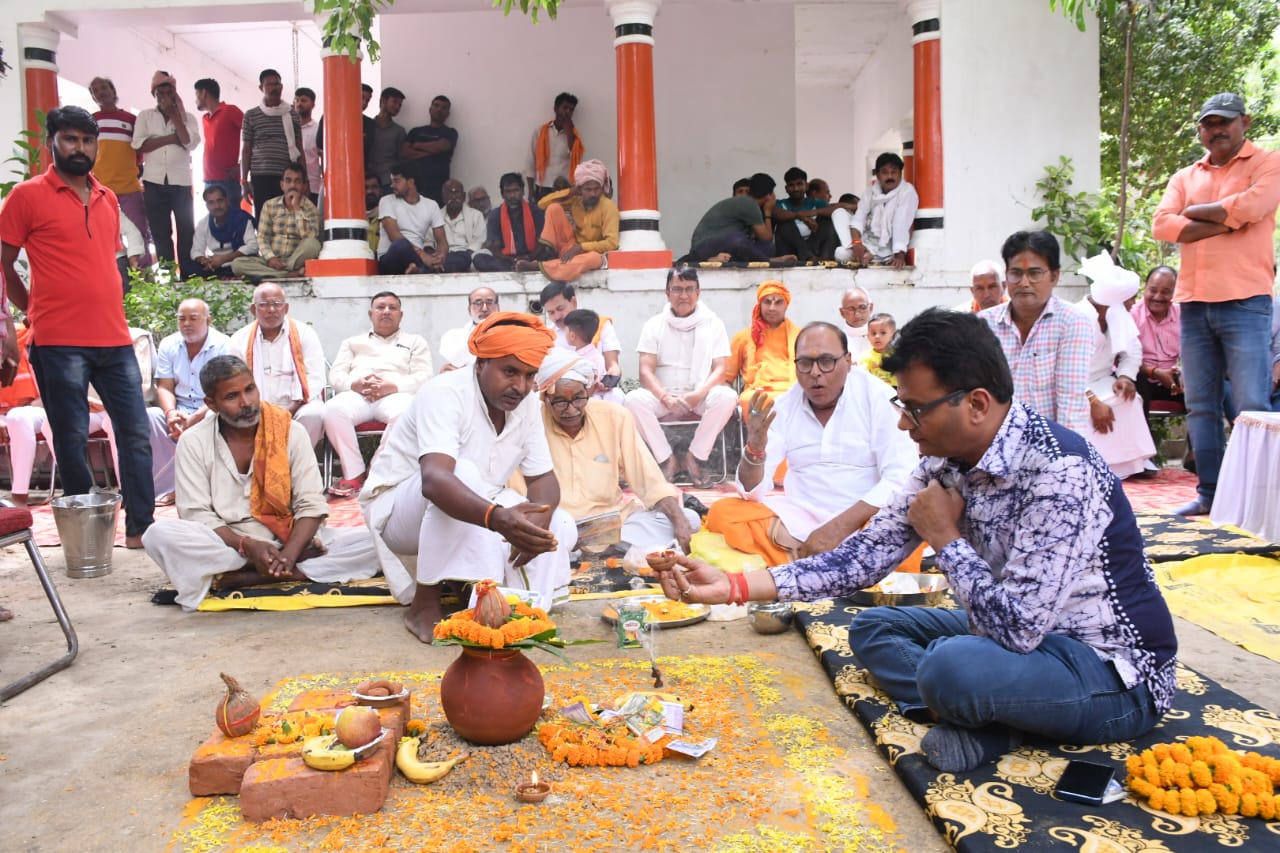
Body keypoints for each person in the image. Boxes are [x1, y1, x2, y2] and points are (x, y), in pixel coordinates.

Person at [655, 309, 1177, 774]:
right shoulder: (945, 462)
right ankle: (999, 716)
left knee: (951, 668)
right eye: (900, 405)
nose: (904, 424)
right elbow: (861, 558)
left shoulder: (1060, 471)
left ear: (975, 403)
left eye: (916, 409)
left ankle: (992, 714)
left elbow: (1018, 629)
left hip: (1109, 668)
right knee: (876, 628)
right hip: (1007, 633)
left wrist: (945, 538)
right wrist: (732, 585)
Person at [359, 312, 575, 640]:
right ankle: (425, 603)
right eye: (510, 372)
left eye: (530, 376)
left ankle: (524, 609)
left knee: (560, 523)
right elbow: (435, 480)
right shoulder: (444, 392)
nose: (520, 386)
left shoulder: (527, 404)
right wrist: (499, 519)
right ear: (480, 364)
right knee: (463, 474)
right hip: (400, 513)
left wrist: (538, 524)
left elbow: (542, 480)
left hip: (479, 502)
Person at [1, 105, 156, 546]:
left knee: (135, 432)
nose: (80, 148)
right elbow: (3, 261)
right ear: (53, 142)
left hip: (114, 338)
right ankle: (87, 535)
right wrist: (27, 307)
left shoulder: (107, 198)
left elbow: (106, 262)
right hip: (57, 341)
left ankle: (140, 528)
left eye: (88, 141)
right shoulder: (27, 196)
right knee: (70, 439)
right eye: (70, 139)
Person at [141, 356, 383, 611]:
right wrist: (247, 546)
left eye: (249, 389)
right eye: (232, 397)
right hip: (229, 545)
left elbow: (310, 504)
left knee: (380, 538)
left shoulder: (290, 431)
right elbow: (196, 514)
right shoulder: (193, 441)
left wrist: (289, 553)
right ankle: (267, 568)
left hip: (293, 540)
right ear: (211, 404)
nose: (246, 403)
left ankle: (265, 573)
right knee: (158, 534)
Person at [1152, 92, 1280, 516]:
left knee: (1251, 406)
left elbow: (1256, 205)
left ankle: (1258, 501)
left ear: (1244, 121)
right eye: (1208, 123)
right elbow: (1163, 225)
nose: (1216, 129)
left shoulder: (1267, 162)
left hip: (1246, 303)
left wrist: (1196, 214)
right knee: (1201, 405)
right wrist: (1228, 220)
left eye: (1224, 121)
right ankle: (1210, 494)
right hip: (1194, 304)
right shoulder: (1186, 174)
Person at [706, 321, 917, 566]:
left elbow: (901, 478)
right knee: (724, 514)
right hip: (800, 519)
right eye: (805, 363)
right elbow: (752, 492)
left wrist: (835, 529)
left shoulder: (877, 397)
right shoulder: (783, 407)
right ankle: (838, 566)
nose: (815, 372)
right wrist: (755, 448)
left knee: (903, 526)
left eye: (826, 361)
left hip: (866, 518)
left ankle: (803, 565)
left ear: (848, 361)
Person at [536, 349, 698, 553]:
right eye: (560, 402)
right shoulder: (532, 423)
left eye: (578, 398)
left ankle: (585, 547)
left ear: (589, 391)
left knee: (689, 519)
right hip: (555, 525)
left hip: (607, 524)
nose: (571, 410)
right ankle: (591, 547)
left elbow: (649, 480)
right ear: (544, 399)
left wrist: (678, 519)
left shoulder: (615, 417)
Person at [625, 267, 736, 487]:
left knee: (726, 397)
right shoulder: (654, 324)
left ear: (698, 292)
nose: (683, 295)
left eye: (688, 289)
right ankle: (667, 459)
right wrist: (665, 397)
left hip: (700, 393)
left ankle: (694, 456)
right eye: (677, 289)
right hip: (665, 396)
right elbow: (645, 370)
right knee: (633, 400)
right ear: (667, 293)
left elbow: (720, 369)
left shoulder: (713, 324)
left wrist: (697, 394)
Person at [323, 291, 434, 497]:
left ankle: (377, 473)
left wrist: (392, 386)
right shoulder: (352, 342)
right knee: (332, 410)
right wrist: (354, 384)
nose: (386, 312)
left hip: (396, 396)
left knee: (405, 413)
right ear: (370, 313)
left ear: (401, 315)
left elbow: (424, 377)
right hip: (358, 395)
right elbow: (336, 375)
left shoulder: (415, 342)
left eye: (392, 308)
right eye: (380, 307)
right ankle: (354, 474)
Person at [980, 230, 1093, 432]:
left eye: (1034, 273)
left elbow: (1071, 402)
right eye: (1016, 273)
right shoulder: (983, 325)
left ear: (1055, 276)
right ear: (1006, 276)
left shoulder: (1072, 323)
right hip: (990, 445)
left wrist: (1064, 458)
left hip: (1046, 446)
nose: (1024, 283)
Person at [1074, 253, 1157, 479]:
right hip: (1076, 386)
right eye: (1131, 298)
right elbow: (1068, 371)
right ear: (1118, 298)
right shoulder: (1078, 317)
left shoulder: (1119, 314)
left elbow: (1133, 351)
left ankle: (1131, 465)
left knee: (1129, 398)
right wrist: (1092, 401)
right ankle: (1096, 466)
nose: (1134, 303)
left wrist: (1125, 377)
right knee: (1099, 406)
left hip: (1103, 379)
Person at [147, 298, 233, 505]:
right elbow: (165, 386)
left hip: (211, 407)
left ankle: (207, 490)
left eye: (193, 318)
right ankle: (170, 488)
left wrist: (195, 417)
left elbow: (223, 391)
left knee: (216, 416)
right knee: (152, 416)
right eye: (181, 319)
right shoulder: (169, 344)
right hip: (180, 409)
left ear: (208, 320)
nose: (186, 324)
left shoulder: (223, 345)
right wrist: (171, 414)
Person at [228, 283, 327, 446]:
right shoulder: (240, 339)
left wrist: (292, 407)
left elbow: (316, 377)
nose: (271, 310)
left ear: (286, 308)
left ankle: (296, 465)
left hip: (298, 404)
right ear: (254, 309)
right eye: (264, 305)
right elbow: (233, 381)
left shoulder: (305, 334)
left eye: (276, 304)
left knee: (314, 414)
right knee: (218, 417)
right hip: (254, 406)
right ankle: (254, 468)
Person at [132, 71, 201, 279]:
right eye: (160, 92)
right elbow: (140, 144)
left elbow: (189, 142)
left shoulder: (187, 118)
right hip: (153, 181)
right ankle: (168, 276)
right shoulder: (145, 116)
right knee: (161, 232)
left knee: (186, 229)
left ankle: (187, 275)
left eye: (168, 91)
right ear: (154, 94)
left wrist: (174, 116)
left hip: (180, 181)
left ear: (174, 94)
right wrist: (172, 138)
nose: (164, 96)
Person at [89, 75, 152, 267]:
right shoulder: (91, 121)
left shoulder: (131, 120)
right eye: (96, 90)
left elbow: (138, 152)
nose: (101, 92)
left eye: (104, 87)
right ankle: (117, 283)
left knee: (139, 236)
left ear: (113, 91)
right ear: (93, 97)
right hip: (100, 190)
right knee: (105, 237)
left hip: (129, 189)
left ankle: (146, 283)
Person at [525, 160, 619, 283]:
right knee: (554, 208)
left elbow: (612, 243)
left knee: (593, 258)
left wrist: (581, 247)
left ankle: (540, 266)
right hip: (570, 249)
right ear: (579, 189)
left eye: (597, 189)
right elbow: (542, 204)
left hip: (593, 254)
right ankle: (547, 254)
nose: (593, 194)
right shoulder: (575, 201)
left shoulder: (608, 207)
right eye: (588, 189)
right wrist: (570, 192)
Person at [230, 163, 320, 280]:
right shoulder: (270, 205)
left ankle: (282, 271)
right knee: (237, 264)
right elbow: (262, 237)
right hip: (272, 261)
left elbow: (310, 238)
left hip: (296, 260)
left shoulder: (310, 208)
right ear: (282, 185)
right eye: (288, 181)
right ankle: (287, 275)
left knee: (314, 244)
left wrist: (297, 209)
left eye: (297, 181)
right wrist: (271, 258)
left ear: (304, 186)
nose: (292, 185)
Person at [685, 173, 794, 264]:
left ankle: (714, 260)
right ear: (770, 195)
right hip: (703, 247)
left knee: (766, 247)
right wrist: (768, 211)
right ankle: (769, 261)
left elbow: (765, 242)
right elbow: (766, 237)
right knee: (738, 239)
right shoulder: (748, 203)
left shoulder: (749, 203)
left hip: (720, 249)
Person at [724, 280, 799, 411]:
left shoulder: (801, 336)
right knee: (748, 400)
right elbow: (726, 376)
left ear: (786, 305)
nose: (772, 308)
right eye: (767, 302)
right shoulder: (742, 337)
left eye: (778, 302)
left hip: (792, 388)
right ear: (760, 305)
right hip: (757, 391)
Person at [540, 280, 623, 395]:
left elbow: (612, 365)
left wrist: (609, 379)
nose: (557, 316)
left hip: (597, 393)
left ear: (573, 301)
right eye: (551, 313)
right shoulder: (547, 335)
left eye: (560, 309)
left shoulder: (599, 324)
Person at [240, 69, 302, 221]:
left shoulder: (292, 114)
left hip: (286, 177)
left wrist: (303, 178)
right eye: (269, 85)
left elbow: (299, 148)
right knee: (263, 220)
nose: (275, 88)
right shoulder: (251, 115)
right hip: (260, 177)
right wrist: (244, 181)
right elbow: (246, 150)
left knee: (285, 220)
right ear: (261, 88)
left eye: (277, 84)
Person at [1130, 266, 1184, 414]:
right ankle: (1141, 438)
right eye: (1153, 290)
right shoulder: (1132, 315)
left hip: (1173, 380)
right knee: (1135, 381)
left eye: (1166, 292)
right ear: (1145, 289)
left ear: (1175, 292)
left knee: (1206, 391)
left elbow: (1193, 352)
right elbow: (1122, 360)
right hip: (1142, 379)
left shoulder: (1183, 315)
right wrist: (1155, 372)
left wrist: (1182, 371)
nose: (1158, 297)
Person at [849, 152, 918, 268]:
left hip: (889, 247)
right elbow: (858, 219)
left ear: (900, 173)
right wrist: (857, 243)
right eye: (885, 172)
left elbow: (900, 224)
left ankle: (871, 256)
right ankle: (864, 254)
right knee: (838, 215)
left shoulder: (907, 192)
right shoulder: (870, 192)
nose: (890, 176)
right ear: (878, 175)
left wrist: (900, 256)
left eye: (894, 172)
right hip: (866, 242)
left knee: (846, 255)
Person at [376, 164, 447, 274]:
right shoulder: (386, 201)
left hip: (417, 258)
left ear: (411, 182)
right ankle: (421, 270)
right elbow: (394, 236)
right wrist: (423, 256)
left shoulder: (431, 205)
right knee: (401, 245)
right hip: (390, 258)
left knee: (455, 259)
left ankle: (417, 269)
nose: (392, 185)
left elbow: (442, 241)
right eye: (392, 181)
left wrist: (440, 258)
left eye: (397, 181)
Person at [474, 172, 545, 273]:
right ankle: (515, 268)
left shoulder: (535, 212)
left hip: (532, 258)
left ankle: (526, 267)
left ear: (523, 192)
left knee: (550, 255)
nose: (512, 196)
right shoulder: (495, 215)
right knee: (479, 259)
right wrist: (514, 261)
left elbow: (542, 244)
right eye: (508, 192)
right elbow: (495, 249)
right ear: (502, 194)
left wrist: (528, 258)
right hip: (507, 261)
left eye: (516, 191)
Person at [771, 166, 845, 262]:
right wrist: (801, 216)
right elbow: (775, 213)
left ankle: (825, 258)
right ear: (786, 188)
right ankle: (809, 257)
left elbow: (835, 211)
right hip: (791, 253)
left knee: (828, 220)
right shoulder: (780, 204)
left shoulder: (816, 203)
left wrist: (814, 212)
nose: (796, 188)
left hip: (814, 249)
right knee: (784, 223)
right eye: (791, 185)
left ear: (806, 186)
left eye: (799, 184)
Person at [194, 77, 244, 209]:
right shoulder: (205, 119)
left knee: (232, 224)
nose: (195, 99)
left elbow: (254, 133)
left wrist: (242, 165)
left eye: (197, 94)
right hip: (208, 181)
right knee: (215, 225)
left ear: (204, 93)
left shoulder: (230, 111)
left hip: (227, 181)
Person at [400, 95, 457, 205]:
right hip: (415, 187)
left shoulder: (450, 132)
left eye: (444, 107)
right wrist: (431, 151)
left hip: (439, 188)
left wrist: (416, 145)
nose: (439, 109)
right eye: (436, 106)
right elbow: (404, 153)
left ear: (448, 114)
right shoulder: (416, 131)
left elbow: (441, 146)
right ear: (430, 109)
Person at [192, 185, 258, 278]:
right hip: (215, 265)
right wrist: (204, 260)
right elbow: (196, 250)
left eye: (220, 201)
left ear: (227, 201)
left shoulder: (241, 219)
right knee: (188, 267)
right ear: (207, 206)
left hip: (237, 262)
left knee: (240, 266)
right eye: (211, 203)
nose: (217, 206)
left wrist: (224, 259)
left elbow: (253, 246)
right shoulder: (203, 223)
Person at [526, 92, 583, 201]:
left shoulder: (575, 136)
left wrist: (569, 133)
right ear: (556, 109)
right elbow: (531, 162)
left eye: (571, 110)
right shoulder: (540, 132)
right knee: (544, 218)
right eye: (565, 108)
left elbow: (575, 160)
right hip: (542, 188)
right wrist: (531, 190)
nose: (568, 112)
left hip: (565, 190)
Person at [316, 83, 376, 180]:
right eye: (362, 97)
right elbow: (320, 142)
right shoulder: (330, 117)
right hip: (333, 172)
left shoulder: (369, 123)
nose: (364, 103)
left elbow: (366, 147)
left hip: (358, 174)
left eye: (367, 100)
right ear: (351, 95)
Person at [439, 287, 499, 371]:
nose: (484, 309)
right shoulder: (453, 336)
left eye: (489, 303)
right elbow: (455, 362)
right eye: (478, 303)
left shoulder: (510, 333)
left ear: (498, 307)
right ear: (469, 309)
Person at [439, 178, 487, 273]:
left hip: (468, 255)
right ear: (443, 197)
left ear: (464, 196)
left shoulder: (476, 215)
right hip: (445, 256)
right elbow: (429, 242)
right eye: (450, 193)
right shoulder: (436, 216)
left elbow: (478, 241)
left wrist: (465, 257)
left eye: (457, 193)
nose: (453, 197)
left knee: (483, 257)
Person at [370, 87, 408, 191]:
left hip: (389, 182)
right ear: (383, 100)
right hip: (368, 181)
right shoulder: (367, 125)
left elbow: (401, 158)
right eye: (394, 102)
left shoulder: (399, 131)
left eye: (400, 105)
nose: (397, 107)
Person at [294, 87, 322, 204]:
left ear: (313, 105)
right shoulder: (289, 128)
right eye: (297, 100)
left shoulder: (318, 130)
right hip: (290, 185)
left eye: (304, 100)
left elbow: (324, 159)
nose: (299, 104)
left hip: (312, 186)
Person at [861, 312, 897, 386]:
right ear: (868, 336)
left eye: (883, 333)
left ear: (893, 335)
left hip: (895, 390)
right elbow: (863, 376)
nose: (877, 336)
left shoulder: (897, 354)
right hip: (875, 390)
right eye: (873, 333)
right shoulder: (866, 357)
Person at [838, 287, 874, 361]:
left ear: (871, 308)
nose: (857, 315)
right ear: (842, 312)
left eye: (862, 307)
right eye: (851, 309)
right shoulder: (836, 341)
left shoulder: (885, 336)